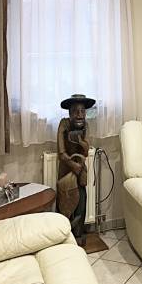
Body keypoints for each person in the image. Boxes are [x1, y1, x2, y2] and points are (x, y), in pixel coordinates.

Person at [56, 94, 95, 246]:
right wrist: (73, 165)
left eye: (82, 111)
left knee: (81, 200)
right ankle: (65, 234)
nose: (79, 115)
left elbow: (85, 150)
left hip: (80, 171)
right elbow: (61, 153)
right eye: (75, 111)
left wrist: (81, 144)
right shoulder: (63, 124)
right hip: (67, 170)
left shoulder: (86, 125)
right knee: (65, 200)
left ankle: (78, 233)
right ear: (69, 113)